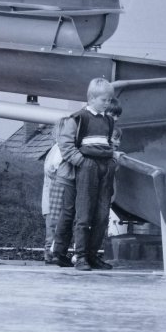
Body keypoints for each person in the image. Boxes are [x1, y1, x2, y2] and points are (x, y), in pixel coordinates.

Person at [51, 78, 116, 271]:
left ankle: (92, 254)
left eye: (110, 100)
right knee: (82, 213)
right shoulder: (78, 118)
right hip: (84, 169)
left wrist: (112, 158)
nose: (108, 103)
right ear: (92, 98)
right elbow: (65, 144)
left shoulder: (108, 120)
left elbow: (109, 143)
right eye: (104, 100)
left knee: (102, 214)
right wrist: (82, 162)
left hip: (104, 168)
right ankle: (79, 256)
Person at [41, 123, 63, 263]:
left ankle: (51, 251)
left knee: (54, 225)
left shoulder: (55, 148)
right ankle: (50, 252)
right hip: (54, 193)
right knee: (53, 225)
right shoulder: (58, 148)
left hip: (53, 193)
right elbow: (52, 169)